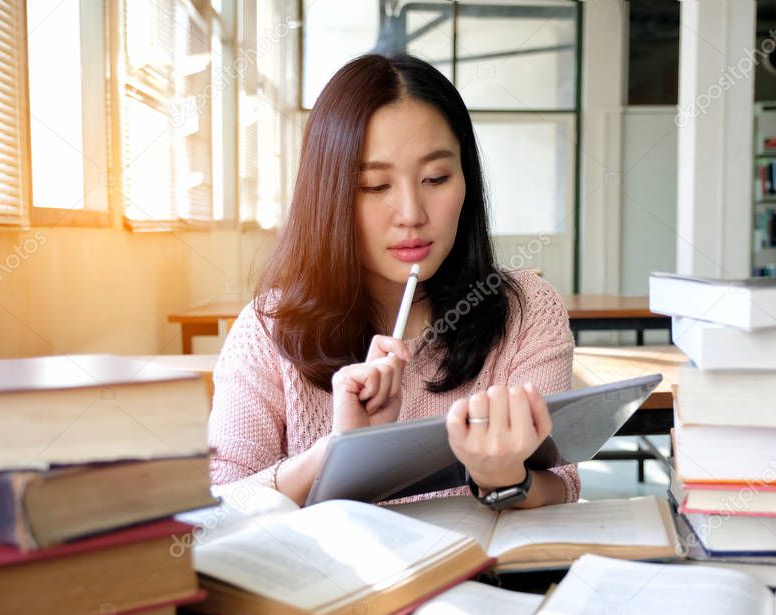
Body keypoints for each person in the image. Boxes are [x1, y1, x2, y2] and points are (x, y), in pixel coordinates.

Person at [208, 53, 579, 507]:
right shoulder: (268, 330)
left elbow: (564, 483)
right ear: (330, 195)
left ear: (466, 178)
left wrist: (504, 478)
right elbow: (220, 507)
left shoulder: (526, 310)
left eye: (435, 178)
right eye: (375, 186)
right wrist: (338, 454)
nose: (411, 214)